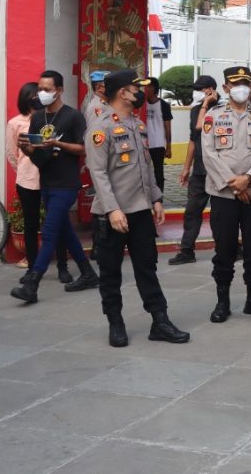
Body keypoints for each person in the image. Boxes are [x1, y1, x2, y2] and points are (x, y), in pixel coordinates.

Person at [84, 70, 189, 348]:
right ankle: (115, 323)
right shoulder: (101, 127)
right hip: (113, 215)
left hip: (141, 211)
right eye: (135, 88)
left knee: (147, 267)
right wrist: (112, 210)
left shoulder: (137, 125)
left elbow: (145, 169)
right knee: (110, 272)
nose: (139, 93)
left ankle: (160, 320)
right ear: (122, 92)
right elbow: (98, 173)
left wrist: (156, 199)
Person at [10, 70, 99, 302]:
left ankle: (32, 283)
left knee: (49, 232)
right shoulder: (38, 118)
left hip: (66, 184)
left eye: (47, 89)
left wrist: (58, 143)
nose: (42, 93)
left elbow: (85, 149)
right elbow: (38, 157)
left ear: (59, 90)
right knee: (64, 231)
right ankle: (88, 272)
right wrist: (27, 147)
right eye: (40, 89)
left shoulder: (73, 117)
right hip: (46, 182)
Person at [200, 67, 251, 323]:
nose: (241, 88)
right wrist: (235, 185)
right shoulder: (213, 116)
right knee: (225, 249)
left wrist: (248, 180)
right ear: (225, 88)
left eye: (245, 83)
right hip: (224, 195)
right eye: (235, 84)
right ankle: (223, 302)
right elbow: (209, 154)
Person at [5, 82, 68, 278]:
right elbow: (11, 153)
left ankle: (63, 267)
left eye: (41, 93)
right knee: (31, 225)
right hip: (28, 181)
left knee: (59, 222)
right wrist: (26, 168)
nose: (38, 98)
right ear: (25, 98)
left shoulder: (52, 120)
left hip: (53, 179)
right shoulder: (16, 123)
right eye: (34, 95)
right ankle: (32, 268)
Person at [171, 74, 217, 265]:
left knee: (222, 213)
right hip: (199, 170)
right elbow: (193, 139)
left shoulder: (224, 108)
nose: (196, 93)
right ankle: (187, 250)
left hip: (218, 171)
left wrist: (207, 104)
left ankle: (232, 247)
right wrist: (185, 168)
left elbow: (202, 126)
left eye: (200, 89)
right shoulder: (195, 110)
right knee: (192, 211)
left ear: (210, 89)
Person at [142, 77, 172, 195]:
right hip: (143, 144)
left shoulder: (163, 105)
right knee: (144, 172)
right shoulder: (142, 105)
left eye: (147, 87)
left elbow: (167, 127)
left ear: (153, 88)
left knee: (158, 172)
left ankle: (159, 196)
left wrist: (169, 146)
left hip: (158, 144)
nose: (145, 89)